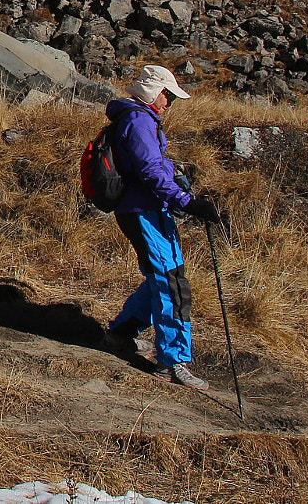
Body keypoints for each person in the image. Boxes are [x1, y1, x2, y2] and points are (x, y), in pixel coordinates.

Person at [102, 63, 221, 389]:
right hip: (143, 211)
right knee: (171, 283)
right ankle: (172, 363)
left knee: (166, 277)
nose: (170, 102)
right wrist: (187, 201)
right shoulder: (139, 121)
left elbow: (153, 166)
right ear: (155, 93)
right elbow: (150, 170)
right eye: (168, 95)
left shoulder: (138, 119)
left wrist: (177, 186)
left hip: (146, 209)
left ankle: (122, 332)